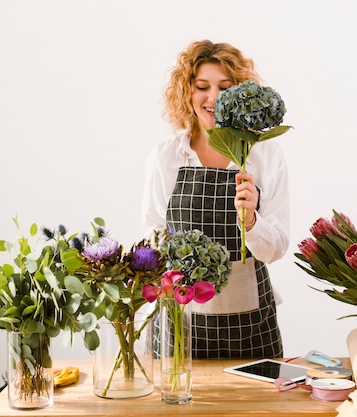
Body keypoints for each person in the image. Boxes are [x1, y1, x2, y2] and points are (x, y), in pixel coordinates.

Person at [141, 40, 290, 359]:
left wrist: (251, 220)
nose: (214, 97)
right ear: (187, 93)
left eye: (225, 86)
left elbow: (275, 249)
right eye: (202, 86)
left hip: (251, 322)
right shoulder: (167, 156)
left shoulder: (265, 155)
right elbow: (152, 238)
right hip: (180, 319)